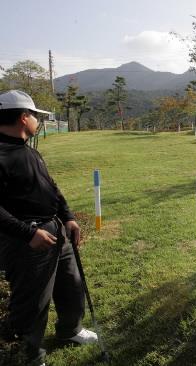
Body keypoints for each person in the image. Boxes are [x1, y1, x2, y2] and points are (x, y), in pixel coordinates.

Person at [0, 90, 97, 366]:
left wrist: (68, 216)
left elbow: (51, 187)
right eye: (35, 116)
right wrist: (28, 233)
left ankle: (70, 330)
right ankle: (30, 357)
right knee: (32, 303)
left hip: (56, 231)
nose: (37, 121)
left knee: (71, 286)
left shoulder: (29, 151)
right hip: (28, 241)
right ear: (23, 117)